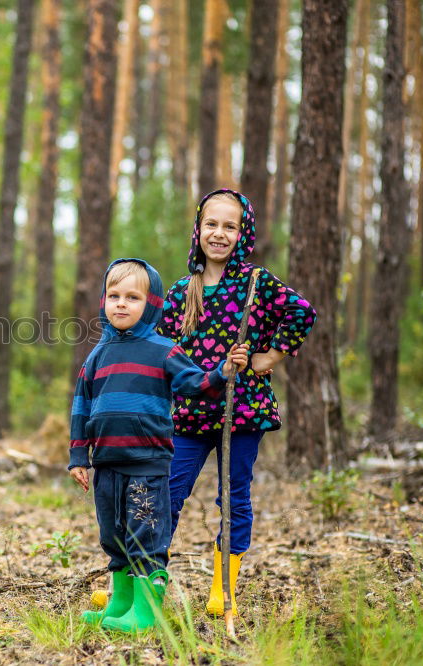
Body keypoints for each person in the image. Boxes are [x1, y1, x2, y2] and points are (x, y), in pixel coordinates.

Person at [157, 189, 316, 617]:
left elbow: (302, 311)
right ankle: (146, 578)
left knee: (234, 496)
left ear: (242, 233)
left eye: (230, 226)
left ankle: (223, 587)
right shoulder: (180, 292)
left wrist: (271, 355)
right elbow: (161, 350)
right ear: (198, 228)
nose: (219, 234)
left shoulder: (256, 282)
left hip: (242, 411)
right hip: (190, 414)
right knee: (167, 491)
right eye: (212, 224)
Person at [68, 258, 248, 633]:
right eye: (113, 295)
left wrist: (223, 372)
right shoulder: (97, 354)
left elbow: (196, 384)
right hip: (106, 464)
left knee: (144, 533)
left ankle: (146, 611)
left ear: (150, 305)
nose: (120, 303)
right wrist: (77, 457)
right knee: (113, 534)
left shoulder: (162, 350)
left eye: (132, 297)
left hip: (146, 463)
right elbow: (82, 405)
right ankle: (120, 604)